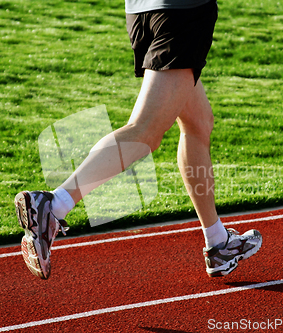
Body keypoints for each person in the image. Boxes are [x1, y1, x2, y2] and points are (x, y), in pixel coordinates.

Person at [14, 0, 262, 280]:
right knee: (144, 131)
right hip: (182, 13)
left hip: (141, 11)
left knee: (198, 123)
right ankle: (54, 203)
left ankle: (218, 241)